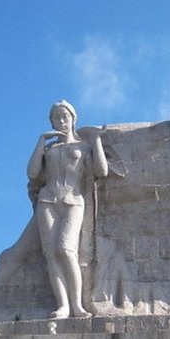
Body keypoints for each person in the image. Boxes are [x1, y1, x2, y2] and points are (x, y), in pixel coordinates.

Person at [27, 100, 108, 318]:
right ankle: (62, 306)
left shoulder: (83, 147)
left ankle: (77, 305)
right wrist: (41, 142)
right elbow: (33, 173)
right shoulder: (50, 148)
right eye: (56, 117)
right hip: (48, 200)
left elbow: (101, 171)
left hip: (73, 200)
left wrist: (97, 140)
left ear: (73, 118)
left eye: (65, 116)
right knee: (51, 254)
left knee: (66, 249)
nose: (61, 121)